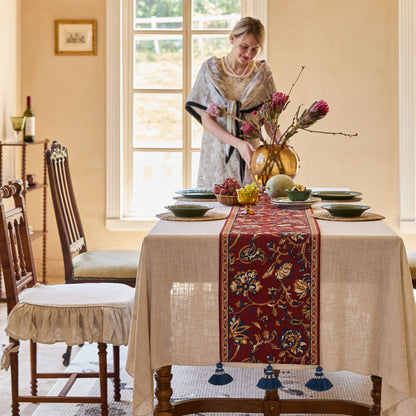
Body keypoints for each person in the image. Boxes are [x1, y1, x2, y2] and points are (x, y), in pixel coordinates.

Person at [185, 16, 277, 189]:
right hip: (217, 152)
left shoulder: (263, 74)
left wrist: (282, 144)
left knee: (251, 208)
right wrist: (238, 143)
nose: (248, 54)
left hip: (250, 154)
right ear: (232, 38)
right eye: (244, 46)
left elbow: (270, 121)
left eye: (255, 49)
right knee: (215, 210)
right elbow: (206, 120)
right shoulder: (210, 70)